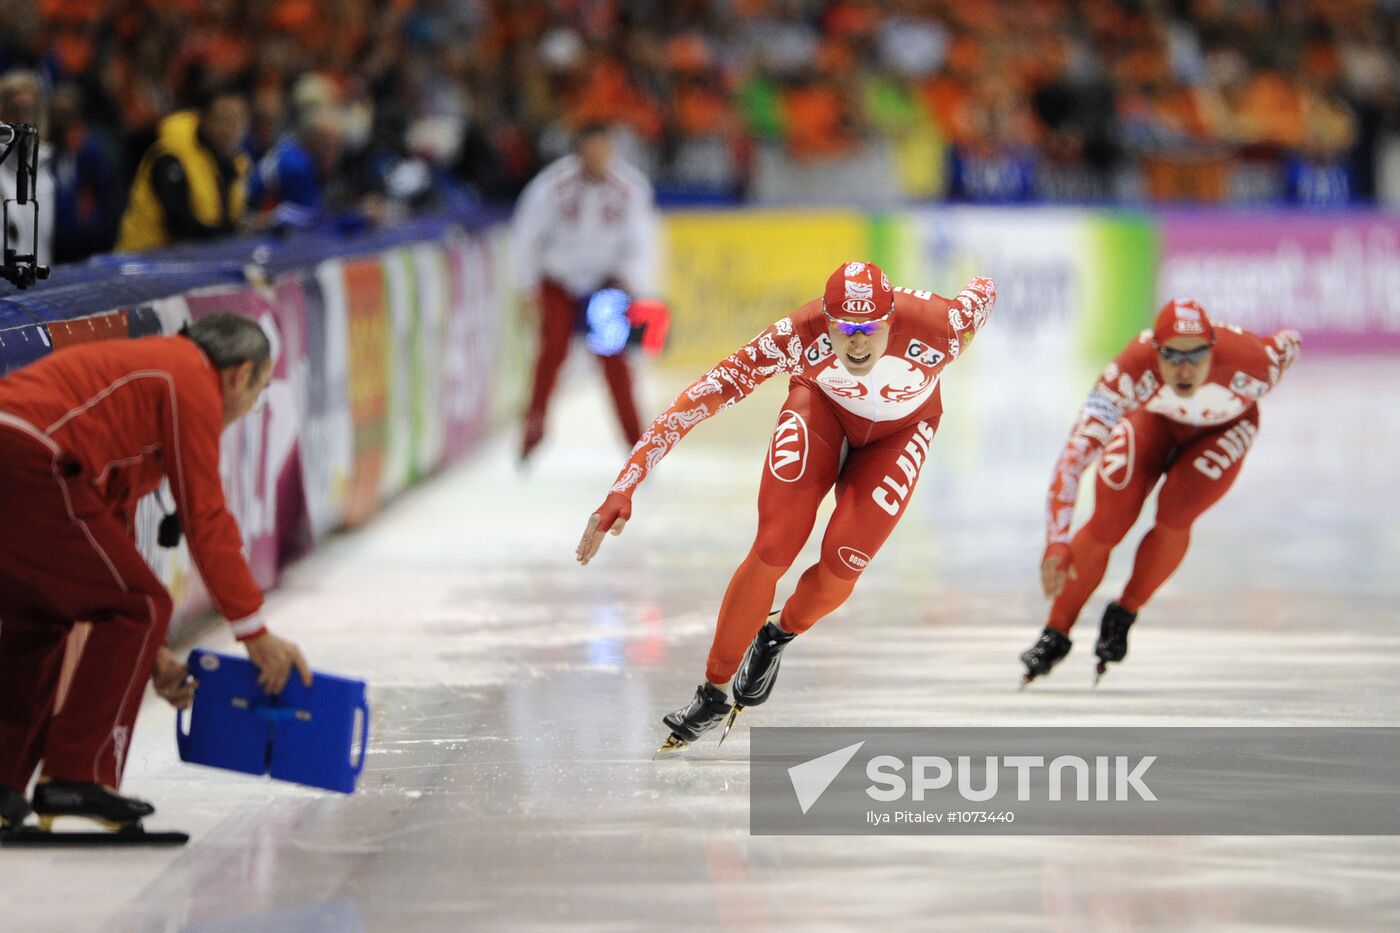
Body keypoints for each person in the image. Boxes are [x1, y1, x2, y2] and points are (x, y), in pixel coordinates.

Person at [576, 261, 996, 750]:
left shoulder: (943, 326)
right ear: (826, 319)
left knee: (843, 565)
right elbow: (697, 399)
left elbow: (984, 289)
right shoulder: (798, 335)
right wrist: (624, 485)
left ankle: (777, 634)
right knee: (775, 544)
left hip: (902, 431)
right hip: (822, 409)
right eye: (844, 330)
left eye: (869, 330)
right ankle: (712, 693)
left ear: (890, 321)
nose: (857, 343)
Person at [0, 313, 311, 833]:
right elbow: (205, 516)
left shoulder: (152, 375)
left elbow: (106, 532)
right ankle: (77, 777)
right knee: (141, 604)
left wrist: (151, 653)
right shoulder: (189, 378)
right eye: (256, 392)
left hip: (21, 449)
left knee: (45, 614)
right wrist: (253, 633)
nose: (248, 408)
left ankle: (2, 785)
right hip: (29, 452)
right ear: (239, 375)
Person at [1020, 299, 1303, 686]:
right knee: (1110, 517)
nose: (1184, 370)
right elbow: (1074, 456)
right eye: (1171, 357)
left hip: (1223, 430)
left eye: (1196, 357)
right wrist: (1056, 542)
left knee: (1176, 511)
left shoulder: (1254, 363)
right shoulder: (1130, 370)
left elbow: (1289, 342)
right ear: (1155, 352)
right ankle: (1055, 631)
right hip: (1153, 421)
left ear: (1213, 348)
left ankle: (1125, 611)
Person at [511, 122, 657, 463]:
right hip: (559, 280)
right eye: (591, 151)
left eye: (603, 151)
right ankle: (533, 429)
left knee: (615, 365)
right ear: (579, 152)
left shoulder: (630, 189)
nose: (598, 158)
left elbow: (642, 244)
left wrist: (633, 285)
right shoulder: (551, 187)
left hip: (605, 283)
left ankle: (637, 445)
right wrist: (527, 286)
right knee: (551, 354)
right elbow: (527, 236)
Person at [116, 85, 251, 252]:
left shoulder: (235, 162)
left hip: (196, 259)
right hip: (142, 261)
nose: (231, 129)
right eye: (224, 119)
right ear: (204, 119)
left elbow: (231, 217)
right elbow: (181, 226)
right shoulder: (171, 156)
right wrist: (238, 230)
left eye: (239, 120)